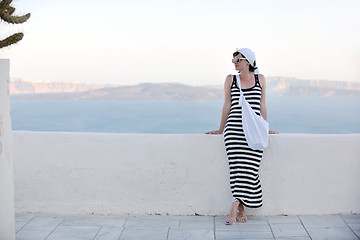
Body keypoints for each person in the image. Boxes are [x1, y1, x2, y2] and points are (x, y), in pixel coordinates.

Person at [206, 48, 278, 224]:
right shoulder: (230, 80)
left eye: (238, 59)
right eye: (233, 60)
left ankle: (235, 207)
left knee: (250, 168)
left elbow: (262, 104)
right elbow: (227, 105)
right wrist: (221, 128)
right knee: (237, 168)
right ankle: (240, 209)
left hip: (254, 130)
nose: (235, 62)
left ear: (249, 61)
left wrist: (265, 126)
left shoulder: (260, 79)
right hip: (234, 130)